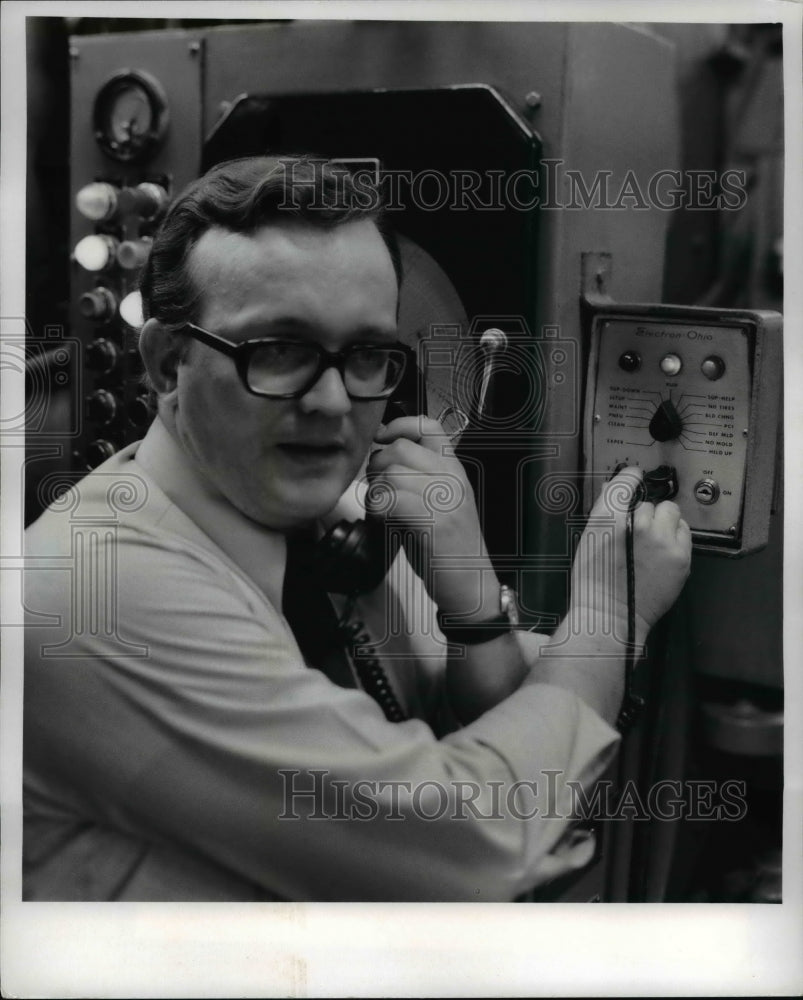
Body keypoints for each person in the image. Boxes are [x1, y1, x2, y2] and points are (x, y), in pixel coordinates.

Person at [23, 156, 691, 901]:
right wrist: (603, 621)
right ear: (167, 364)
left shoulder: (321, 515)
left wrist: (471, 606)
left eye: (368, 355)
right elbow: (474, 843)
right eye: (279, 351)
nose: (334, 403)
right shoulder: (98, 588)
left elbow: (483, 716)